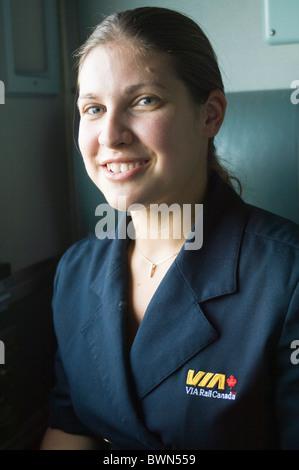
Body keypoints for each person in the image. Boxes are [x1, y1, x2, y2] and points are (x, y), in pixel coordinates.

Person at [41, 7, 299, 450]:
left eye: (144, 101)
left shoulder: (287, 275)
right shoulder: (75, 272)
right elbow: (71, 427)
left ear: (210, 115)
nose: (110, 135)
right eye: (94, 108)